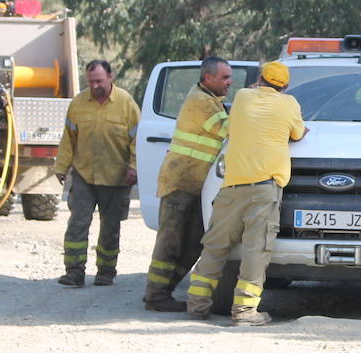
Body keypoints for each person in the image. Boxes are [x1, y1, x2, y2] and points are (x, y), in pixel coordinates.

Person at [185, 61, 305, 326]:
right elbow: (298, 133)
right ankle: (244, 313)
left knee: (215, 246)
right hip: (264, 189)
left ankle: (196, 305)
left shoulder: (241, 97)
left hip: (231, 186)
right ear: (284, 86)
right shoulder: (289, 104)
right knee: (255, 251)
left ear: (260, 79)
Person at [142, 57, 233, 312]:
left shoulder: (211, 100)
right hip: (180, 181)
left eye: (230, 77)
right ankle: (156, 295)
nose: (230, 82)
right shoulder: (202, 103)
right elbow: (229, 129)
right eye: (225, 77)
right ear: (208, 78)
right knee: (170, 242)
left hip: (195, 185)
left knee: (193, 242)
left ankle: (163, 290)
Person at [54, 59, 139, 287]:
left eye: (99, 81)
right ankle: (74, 272)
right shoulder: (78, 104)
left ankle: (106, 272)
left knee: (111, 226)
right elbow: (68, 139)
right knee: (77, 224)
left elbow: (137, 141)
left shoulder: (126, 104)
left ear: (111, 77)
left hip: (116, 177)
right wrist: (61, 167)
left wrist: (134, 167)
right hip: (84, 175)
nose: (94, 86)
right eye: (90, 82)